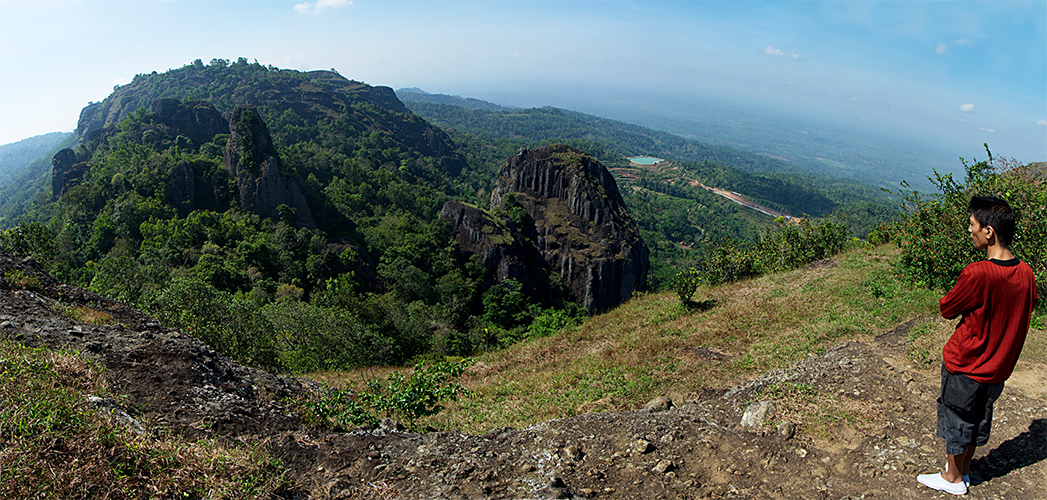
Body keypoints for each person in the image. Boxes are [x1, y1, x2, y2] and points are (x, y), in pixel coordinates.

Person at [916, 196, 1038, 496]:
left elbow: (947, 307)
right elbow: (1027, 306)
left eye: (972, 224)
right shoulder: (1027, 273)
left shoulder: (979, 273)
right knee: (979, 416)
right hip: (998, 367)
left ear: (989, 232)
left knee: (957, 417)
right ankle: (965, 470)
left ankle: (953, 478)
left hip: (967, 362)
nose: (968, 230)